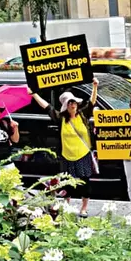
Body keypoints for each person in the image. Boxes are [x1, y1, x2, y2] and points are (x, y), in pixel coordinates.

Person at [29, 78, 98, 218]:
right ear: (66, 106)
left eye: (74, 102)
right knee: (67, 183)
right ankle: (66, 206)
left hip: (83, 154)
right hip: (67, 155)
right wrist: (34, 94)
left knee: (85, 182)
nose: (73, 105)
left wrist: (95, 86)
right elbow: (47, 107)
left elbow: (92, 102)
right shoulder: (61, 118)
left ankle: (84, 208)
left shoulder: (83, 115)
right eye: (70, 103)